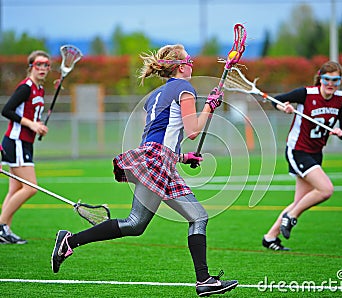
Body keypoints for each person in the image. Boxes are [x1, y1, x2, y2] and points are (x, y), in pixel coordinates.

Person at [51, 44, 238, 297]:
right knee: (197, 217)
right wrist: (209, 106)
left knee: (136, 224)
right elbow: (192, 130)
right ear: (182, 66)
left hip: (154, 158)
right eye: (189, 60)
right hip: (158, 161)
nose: (191, 64)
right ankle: (203, 280)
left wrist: (181, 156)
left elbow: (158, 135)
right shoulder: (185, 88)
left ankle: (69, 241)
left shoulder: (154, 96)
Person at [261, 61, 342, 251]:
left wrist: (340, 132)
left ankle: (270, 237)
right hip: (298, 150)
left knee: (298, 202)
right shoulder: (306, 93)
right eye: (327, 79)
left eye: (336, 80)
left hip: (316, 153)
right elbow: (275, 100)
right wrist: (283, 108)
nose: (331, 84)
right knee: (326, 189)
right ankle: (291, 217)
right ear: (321, 78)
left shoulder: (341, 99)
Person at [0, 50, 50, 244]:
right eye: (39, 64)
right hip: (16, 142)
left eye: (46, 65)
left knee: (15, 189)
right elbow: (7, 110)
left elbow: (30, 115)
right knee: (31, 188)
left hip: (26, 143)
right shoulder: (26, 88)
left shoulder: (40, 90)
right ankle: (2, 225)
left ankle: (5, 231)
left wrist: (38, 127)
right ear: (31, 66)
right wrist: (32, 124)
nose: (43, 68)